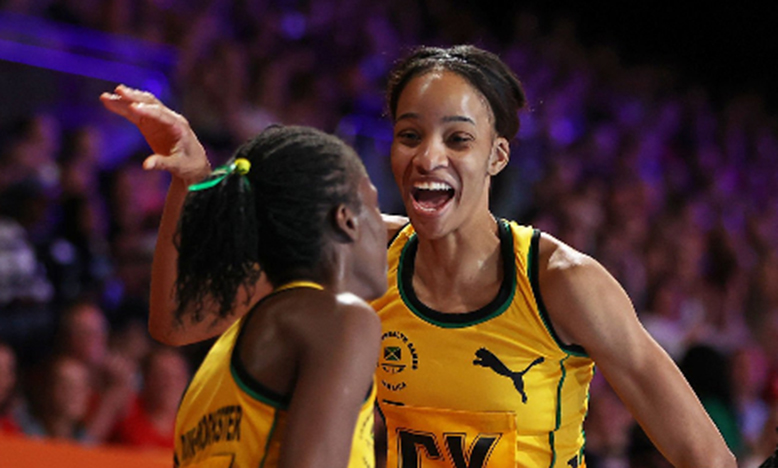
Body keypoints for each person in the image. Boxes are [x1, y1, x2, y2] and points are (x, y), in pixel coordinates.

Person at [102, 42, 736, 468]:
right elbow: (178, 321)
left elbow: (705, 457)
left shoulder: (561, 281)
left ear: (497, 156)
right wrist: (192, 183)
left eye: (458, 138)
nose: (428, 156)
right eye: (410, 134)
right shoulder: (355, 250)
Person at [102, 88, 387, 467]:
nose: (387, 226)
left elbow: (173, 317)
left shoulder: (228, 352)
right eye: (375, 205)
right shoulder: (340, 318)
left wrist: (191, 182)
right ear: (347, 219)